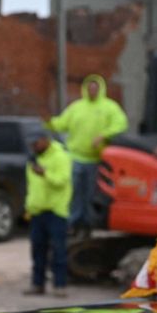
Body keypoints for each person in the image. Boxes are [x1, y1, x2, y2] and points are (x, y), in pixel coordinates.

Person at [46, 74, 128, 234]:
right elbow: (61, 124)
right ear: (85, 89)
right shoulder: (76, 107)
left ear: (100, 89)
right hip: (76, 157)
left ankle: (89, 223)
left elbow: (121, 124)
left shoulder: (109, 107)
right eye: (89, 88)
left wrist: (104, 134)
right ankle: (74, 222)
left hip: (97, 158)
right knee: (75, 191)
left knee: (92, 193)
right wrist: (49, 121)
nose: (92, 91)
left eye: (95, 88)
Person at [23, 130, 72, 297]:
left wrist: (45, 174)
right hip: (37, 211)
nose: (33, 147)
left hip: (56, 212)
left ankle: (60, 285)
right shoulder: (33, 160)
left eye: (36, 143)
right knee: (37, 250)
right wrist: (29, 207)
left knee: (58, 250)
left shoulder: (60, 157)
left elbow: (62, 181)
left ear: (45, 141)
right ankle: (38, 284)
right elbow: (32, 186)